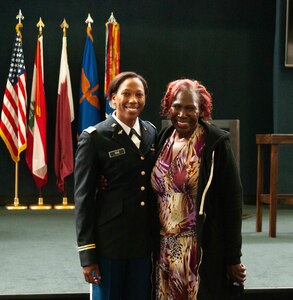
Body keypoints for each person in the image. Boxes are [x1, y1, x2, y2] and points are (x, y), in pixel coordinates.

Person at [151, 79, 246, 299]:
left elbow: (232, 202)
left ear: (201, 110)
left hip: (197, 248)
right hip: (164, 247)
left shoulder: (215, 143)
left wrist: (233, 257)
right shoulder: (164, 139)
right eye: (177, 106)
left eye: (190, 108)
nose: (182, 114)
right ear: (168, 107)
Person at [74, 71, 157, 300]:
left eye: (139, 94)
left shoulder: (151, 133)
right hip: (110, 245)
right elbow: (83, 200)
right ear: (113, 99)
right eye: (126, 94)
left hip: (142, 244)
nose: (133, 100)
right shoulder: (95, 138)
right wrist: (87, 255)